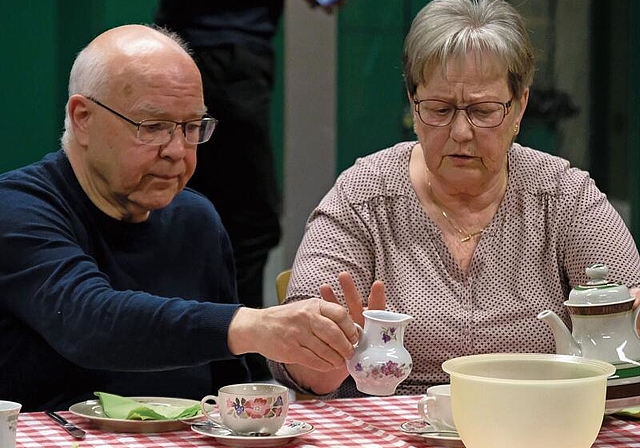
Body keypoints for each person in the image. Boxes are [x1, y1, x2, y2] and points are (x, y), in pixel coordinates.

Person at [268, 0, 640, 398]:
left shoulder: (562, 195)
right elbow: (298, 355)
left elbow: (626, 322)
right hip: (396, 428)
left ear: (520, 106)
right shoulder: (363, 195)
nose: (461, 131)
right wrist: (323, 356)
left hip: (537, 419)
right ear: (413, 104)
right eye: (440, 109)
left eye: (483, 111)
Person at [0, 24, 360, 412]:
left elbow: (228, 387)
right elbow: (88, 320)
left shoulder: (196, 219)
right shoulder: (18, 207)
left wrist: (315, 366)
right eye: (153, 127)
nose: (177, 150)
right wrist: (254, 326)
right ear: (83, 117)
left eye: (191, 128)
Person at [154, 0, 342, 381]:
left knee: (177, 208)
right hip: (230, 56)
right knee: (249, 224)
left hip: (175, 50)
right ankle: (240, 368)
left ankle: (195, 357)